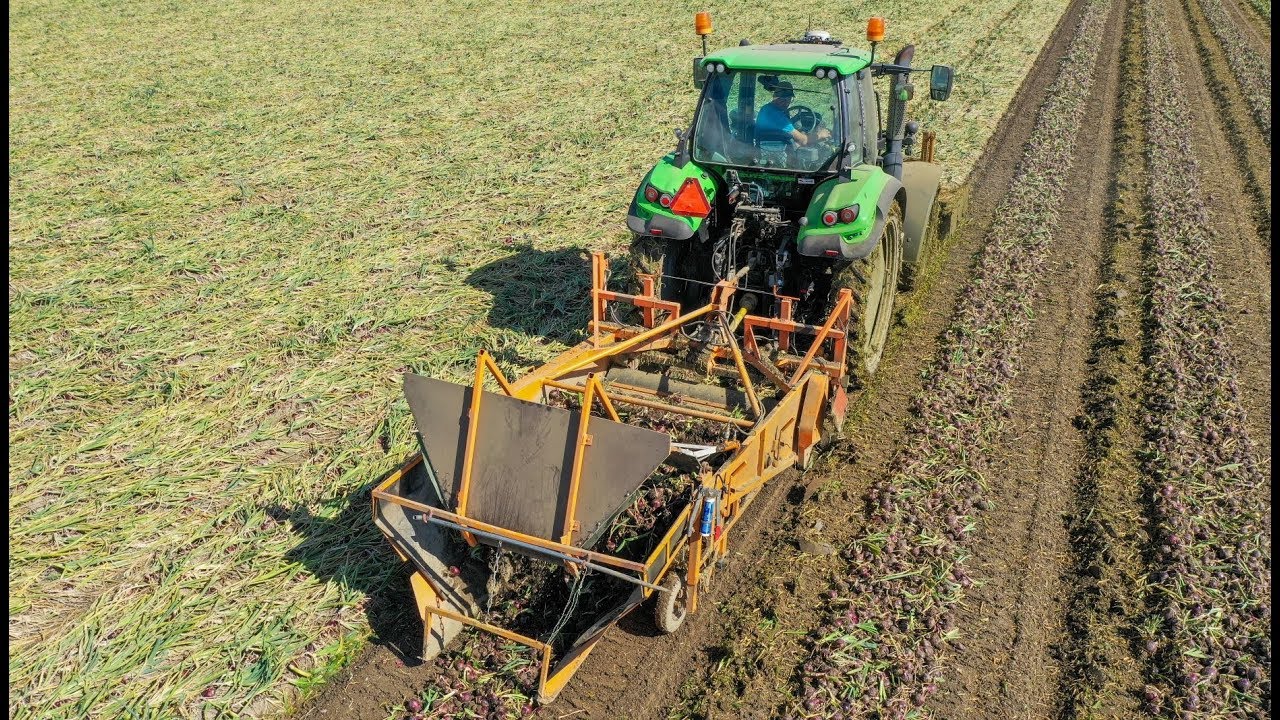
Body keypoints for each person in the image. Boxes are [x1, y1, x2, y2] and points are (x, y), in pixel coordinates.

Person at [754, 80, 832, 146]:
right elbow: (803, 141)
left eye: (788, 99)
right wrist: (820, 135)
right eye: (782, 99)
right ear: (774, 97)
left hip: (769, 146)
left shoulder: (766, 109)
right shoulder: (777, 116)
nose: (785, 103)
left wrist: (801, 133)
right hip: (775, 152)